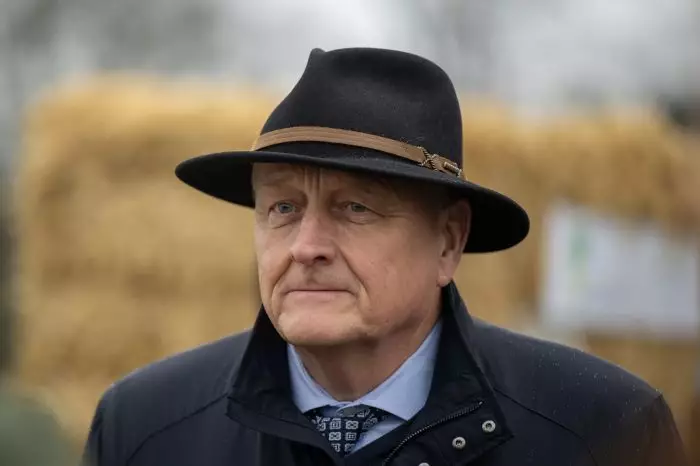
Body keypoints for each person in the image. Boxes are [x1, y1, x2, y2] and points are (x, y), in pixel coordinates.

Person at [82, 47, 687, 466]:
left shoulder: (604, 432)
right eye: (283, 208)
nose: (307, 247)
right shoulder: (143, 430)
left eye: (355, 209)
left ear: (448, 241)